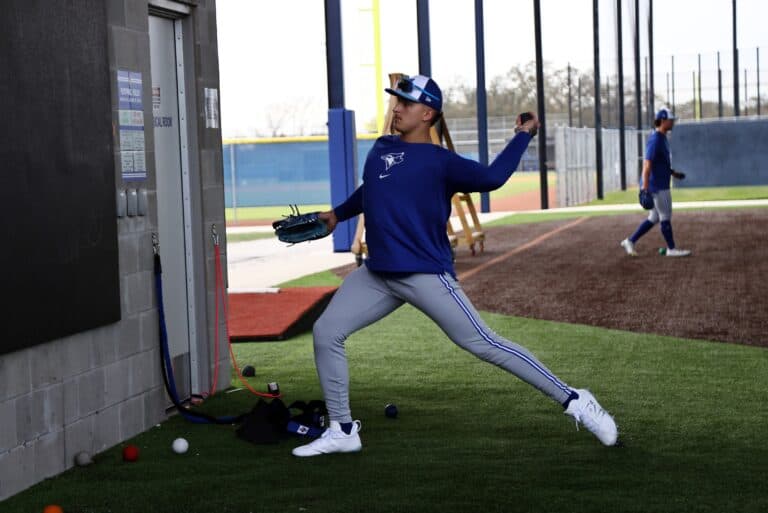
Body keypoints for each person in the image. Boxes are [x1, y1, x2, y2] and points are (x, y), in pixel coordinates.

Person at [292, 74, 618, 457]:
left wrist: (524, 134)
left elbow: (494, 177)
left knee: (484, 344)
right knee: (327, 331)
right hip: (377, 274)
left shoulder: (442, 163)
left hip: (425, 273)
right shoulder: (380, 149)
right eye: (396, 101)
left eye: (406, 103)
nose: (396, 108)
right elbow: (373, 190)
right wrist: (336, 214)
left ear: (427, 113)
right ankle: (342, 429)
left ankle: (575, 400)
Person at [621, 108, 691, 257]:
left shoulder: (663, 138)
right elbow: (647, 165)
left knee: (654, 217)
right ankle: (672, 249)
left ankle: (630, 241)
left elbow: (661, 163)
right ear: (663, 121)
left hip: (659, 182)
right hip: (657, 186)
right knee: (665, 215)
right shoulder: (656, 139)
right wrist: (644, 188)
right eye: (671, 120)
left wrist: (673, 173)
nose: (673, 122)